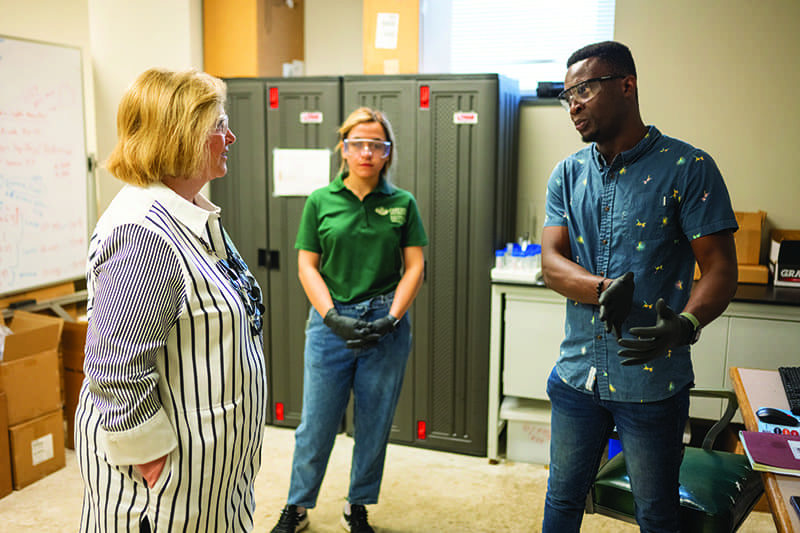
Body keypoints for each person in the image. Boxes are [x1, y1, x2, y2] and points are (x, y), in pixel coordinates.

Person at [540, 41, 739, 532]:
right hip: (576, 376)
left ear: (626, 85)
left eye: (584, 88)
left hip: (652, 383)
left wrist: (688, 323)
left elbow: (720, 270)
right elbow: (551, 263)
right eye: (567, 96)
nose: (575, 105)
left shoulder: (688, 168)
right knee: (562, 501)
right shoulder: (567, 175)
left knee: (656, 512)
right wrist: (601, 285)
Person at [74, 67, 268, 532]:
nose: (231, 137)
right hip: (163, 487)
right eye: (219, 126)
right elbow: (114, 366)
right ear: (182, 136)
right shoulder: (142, 232)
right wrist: (150, 458)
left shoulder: (183, 214)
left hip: (205, 466)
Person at [269, 107, 427, 533]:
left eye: (377, 145)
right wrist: (332, 317)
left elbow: (415, 267)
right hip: (330, 324)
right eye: (358, 143)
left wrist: (392, 318)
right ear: (344, 148)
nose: (367, 152)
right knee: (316, 423)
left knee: (374, 423)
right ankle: (297, 506)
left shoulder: (402, 204)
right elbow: (307, 266)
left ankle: (357, 505)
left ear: (387, 153)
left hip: (385, 325)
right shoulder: (321, 201)